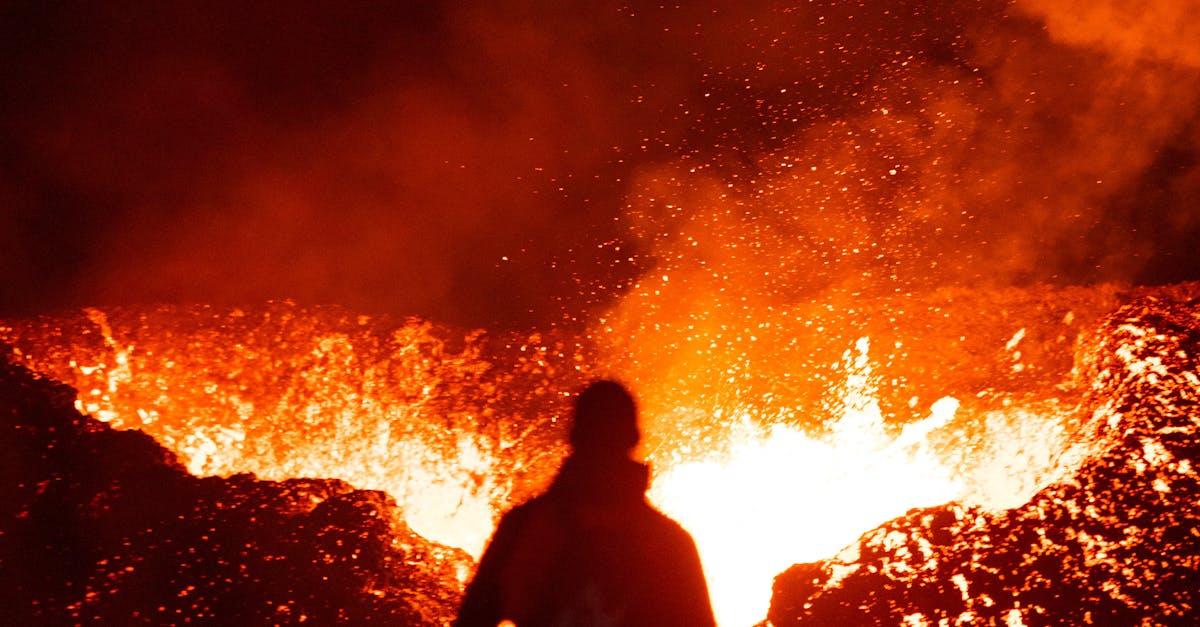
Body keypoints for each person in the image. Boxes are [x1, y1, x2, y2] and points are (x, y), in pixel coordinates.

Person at [454, 380, 716, 627]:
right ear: (634, 438)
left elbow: (473, 621)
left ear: (573, 435)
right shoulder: (669, 543)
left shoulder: (526, 528)